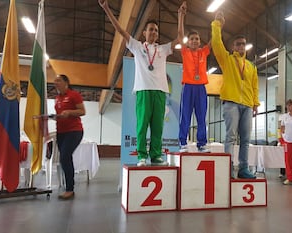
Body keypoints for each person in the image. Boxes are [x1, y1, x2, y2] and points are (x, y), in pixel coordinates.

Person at [99, 0, 186, 166]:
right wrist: (107, 9)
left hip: (160, 92)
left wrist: (180, 15)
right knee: (142, 126)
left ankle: (155, 156)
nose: (153, 32)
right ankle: (141, 157)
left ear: (158, 35)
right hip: (143, 90)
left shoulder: (163, 49)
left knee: (157, 127)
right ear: (144, 33)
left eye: (156, 30)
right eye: (150, 29)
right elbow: (120, 30)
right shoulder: (137, 46)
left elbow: (180, 38)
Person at [211, 12, 260, 179]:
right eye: (238, 44)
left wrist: (255, 104)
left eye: (243, 44)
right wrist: (217, 24)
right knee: (231, 137)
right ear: (233, 47)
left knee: (245, 139)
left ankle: (243, 168)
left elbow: (255, 86)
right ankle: (228, 168)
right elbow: (217, 44)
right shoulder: (227, 60)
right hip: (231, 102)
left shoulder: (251, 66)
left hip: (247, 105)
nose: (241, 46)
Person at [178, 13, 211, 153]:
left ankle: (201, 143)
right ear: (188, 42)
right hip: (188, 87)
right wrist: (181, 16)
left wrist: (218, 24)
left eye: (197, 39)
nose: (195, 41)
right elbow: (180, 35)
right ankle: (183, 143)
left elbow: (213, 40)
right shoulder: (185, 52)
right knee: (185, 115)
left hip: (201, 88)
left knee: (201, 116)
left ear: (200, 41)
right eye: (191, 39)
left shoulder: (204, 52)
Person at [54, 74, 85, 199]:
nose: (56, 83)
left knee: (65, 157)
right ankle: (69, 187)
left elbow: (82, 111)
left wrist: (69, 113)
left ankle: (69, 189)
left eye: (59, 80)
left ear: (66, 83)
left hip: (74, 131)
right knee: (65, 159)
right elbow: (60, 113)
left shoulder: (74, 95)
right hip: (61, 132)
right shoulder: (57, 98)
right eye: (55, 81)